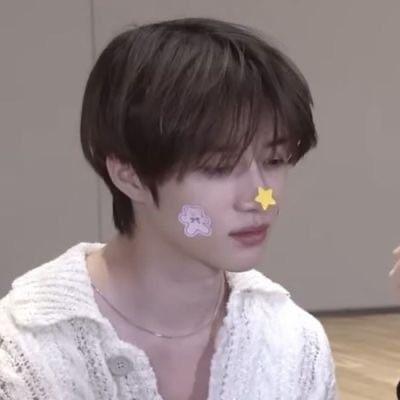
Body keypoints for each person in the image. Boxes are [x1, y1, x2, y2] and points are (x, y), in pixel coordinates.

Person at [0, 18, 337, 400]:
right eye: (219, 167)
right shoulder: (27, 351)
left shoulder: (294, 343)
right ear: (129, 175)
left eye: (274, 160)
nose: (260, 197)